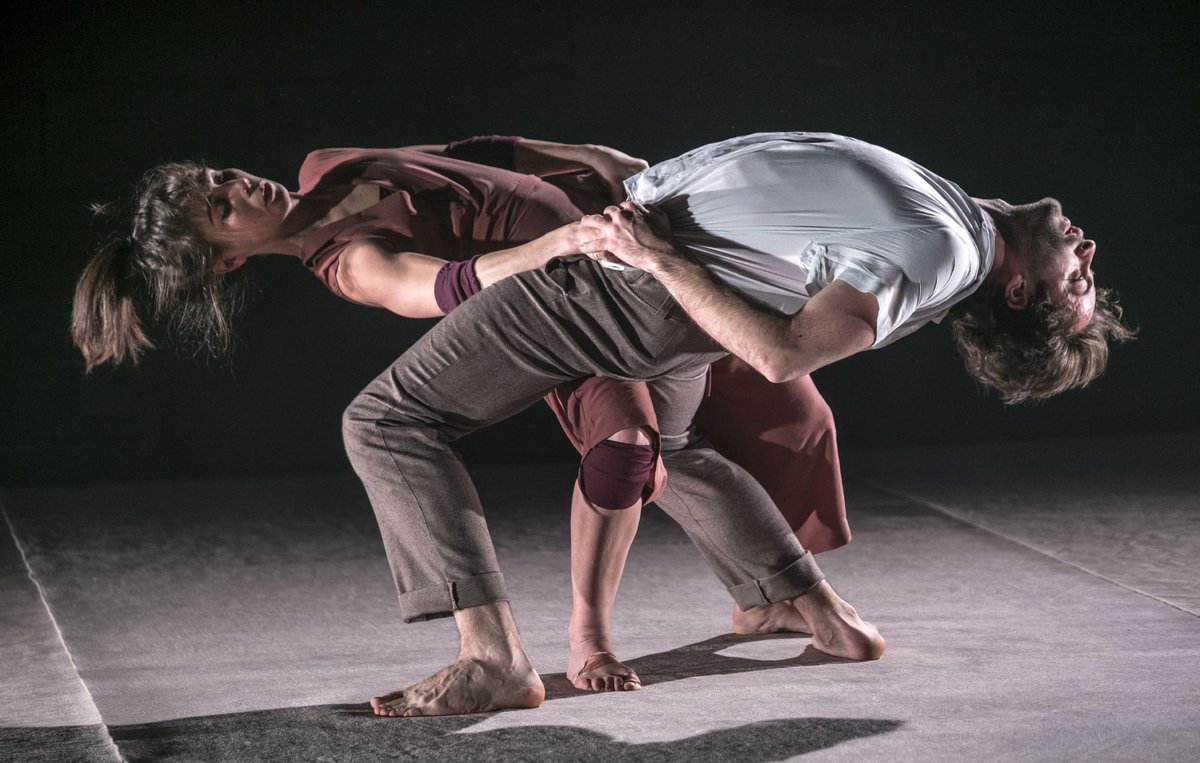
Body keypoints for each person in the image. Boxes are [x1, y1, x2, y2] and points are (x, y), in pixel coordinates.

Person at [337, 131, 1131, 717]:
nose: (1087, 250)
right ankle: (810, 607)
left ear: (1021, 293)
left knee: (386, 420)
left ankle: (492, 655)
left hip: (625, 287)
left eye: (1080, 281)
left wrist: (658, 257)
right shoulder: (963, 220)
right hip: (669, 288)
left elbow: (783, 355)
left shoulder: (941, 252)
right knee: (675, 450)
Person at [72, 135, 854, 693]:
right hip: (568, 302)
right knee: (626, 449)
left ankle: (789, 597)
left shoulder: (329, 162)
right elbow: (440, 287)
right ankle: (570, 638)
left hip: (621, 254)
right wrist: (552, 248)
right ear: (229, 259)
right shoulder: (347, 261)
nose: (242, 187)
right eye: (223, 207)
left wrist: (582, 157)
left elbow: (481, 151)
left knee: (725, 430)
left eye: (224, 175)